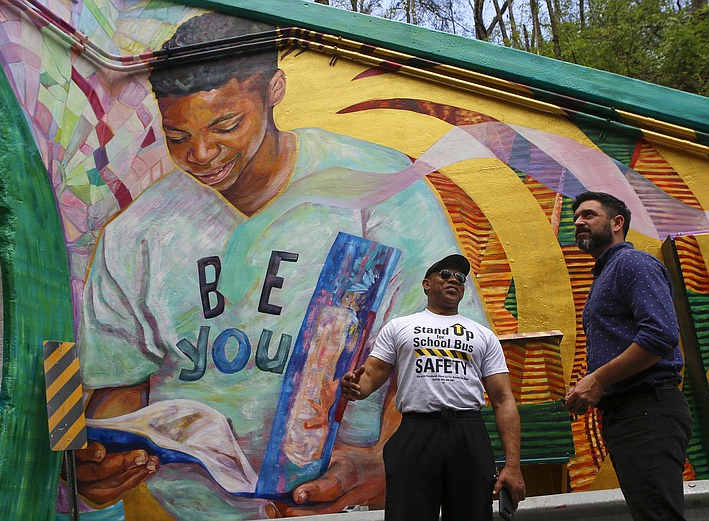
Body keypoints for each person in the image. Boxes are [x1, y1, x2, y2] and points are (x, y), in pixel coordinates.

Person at [74, 11, 487, 520]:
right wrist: (98, 465)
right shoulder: (135, 234)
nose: (201, 154)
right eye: (177, 136)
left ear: (274, 90)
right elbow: (119, 386)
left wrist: (388, 462)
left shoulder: (380, 189)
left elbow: (443, 348)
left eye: (226, 125)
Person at [341, 253, 526, 521]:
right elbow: (371, 375)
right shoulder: (400, 327)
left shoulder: (483, 334)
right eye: (446, 275)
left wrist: (512, 465)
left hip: (468, 432)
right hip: (417, 430)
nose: (454, 280)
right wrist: (356, 388)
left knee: (471, 514)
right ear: (427, 284)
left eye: (461, 278)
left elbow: (504, 399)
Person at [564, 191, 693, 521]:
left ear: (617, 222)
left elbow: (660, 335)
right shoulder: (607, 273)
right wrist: (593, 386)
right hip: (629, 412)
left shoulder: (631, 263)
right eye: (576, 217)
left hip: (647, 407)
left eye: (589, 215)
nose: (579, 222)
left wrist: (598, 379)